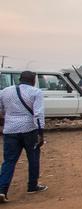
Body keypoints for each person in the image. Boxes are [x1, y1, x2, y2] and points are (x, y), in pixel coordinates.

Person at [0, 71, 47, 202]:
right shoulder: (36, 92)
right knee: (33, 158)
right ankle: (32, 186)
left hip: (10, 130)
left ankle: (2, 190)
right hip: (29, 129)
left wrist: (5, 124)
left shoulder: (5, 91)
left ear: (19, 79)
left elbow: (1, 111)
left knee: (9, 161)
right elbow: (38, 114)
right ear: (33, 80)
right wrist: (40, 134)